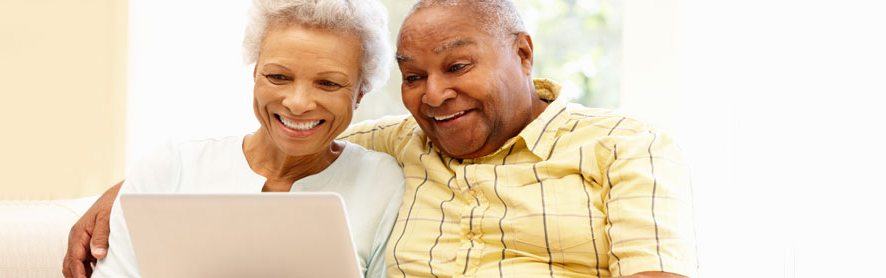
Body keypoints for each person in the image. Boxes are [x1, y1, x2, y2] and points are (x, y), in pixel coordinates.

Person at [64, 1, 697, 277]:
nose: (434, 94)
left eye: (457, 66)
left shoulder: (624, 145)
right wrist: (127, 195)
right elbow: (292, 137)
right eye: (414, 77)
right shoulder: (402, 143)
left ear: (524, 53)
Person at [74, 0, 405, 277]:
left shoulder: (382, 183)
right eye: (278, 76)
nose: (298, 103)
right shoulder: (169, 169)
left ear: (361, 92)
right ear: (255, 74)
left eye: (329, 84)